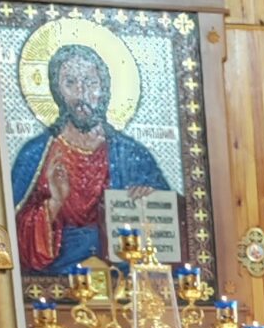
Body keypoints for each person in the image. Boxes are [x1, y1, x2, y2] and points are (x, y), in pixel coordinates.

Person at [11, 45, 170, 275]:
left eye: (90, 82)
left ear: (104, 88)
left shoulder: (132, 154)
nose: (81, 93)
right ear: (57, 90)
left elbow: (169, 231)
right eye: (70, 83)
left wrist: (151, 202)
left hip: (124, 282)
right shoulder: (36, 154)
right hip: (57, 281)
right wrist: (55, 202)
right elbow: (11, 234)